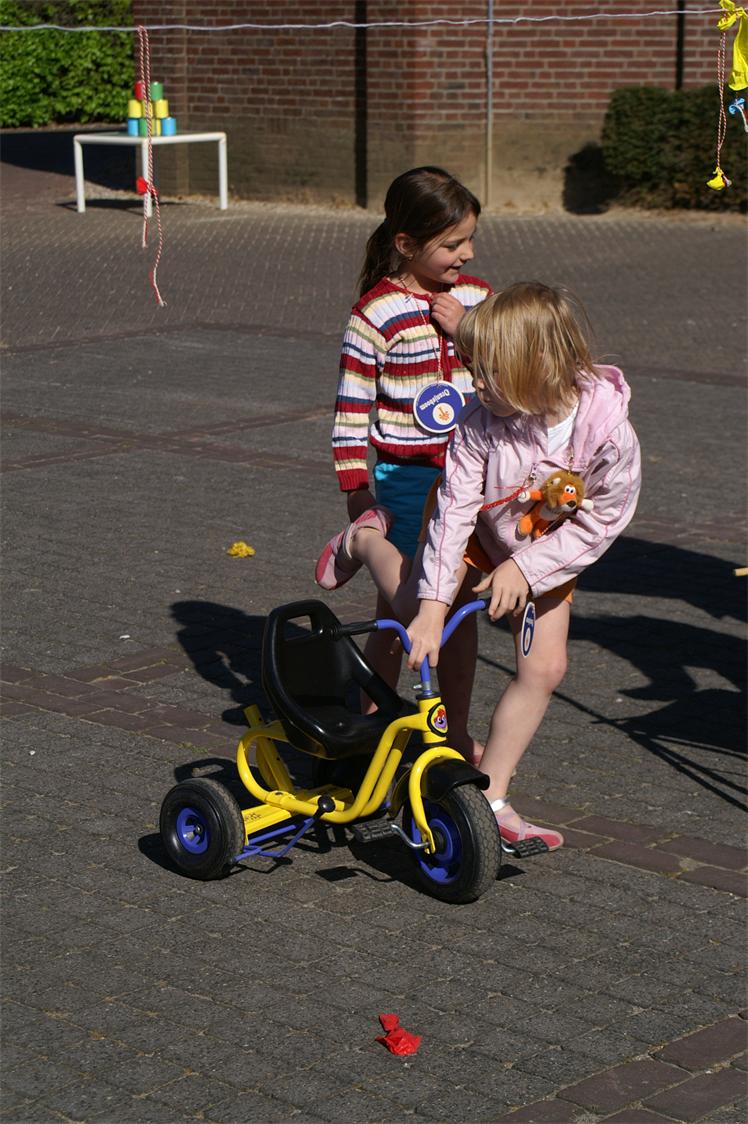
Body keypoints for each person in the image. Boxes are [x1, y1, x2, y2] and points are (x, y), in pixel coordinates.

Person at [404, 281, 642, 852]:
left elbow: (602, 522)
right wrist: (432, 607)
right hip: (473, 536)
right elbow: (455, 512)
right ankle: (366, 545)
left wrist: (527, 570)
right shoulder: (479, 420)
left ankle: (490, 796)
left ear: (538, 364)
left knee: (545, 668)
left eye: (488, 371)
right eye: (472, 367)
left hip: (544, 553)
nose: (475, 383)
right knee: (424, 626)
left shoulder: (609, 433)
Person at [315, 166, 492, 761]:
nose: (467, 254)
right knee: (434, 609)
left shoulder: (478, 299)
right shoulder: (374, 315)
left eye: (470, 239)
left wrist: (469, 331)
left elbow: (508, 369)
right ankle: (433, 734)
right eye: (452, 243)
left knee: (416, 614)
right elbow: (350, 409)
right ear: (407, 244)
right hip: (409, 479)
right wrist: (356, 489)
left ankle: (390, 728)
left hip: (474, 477)